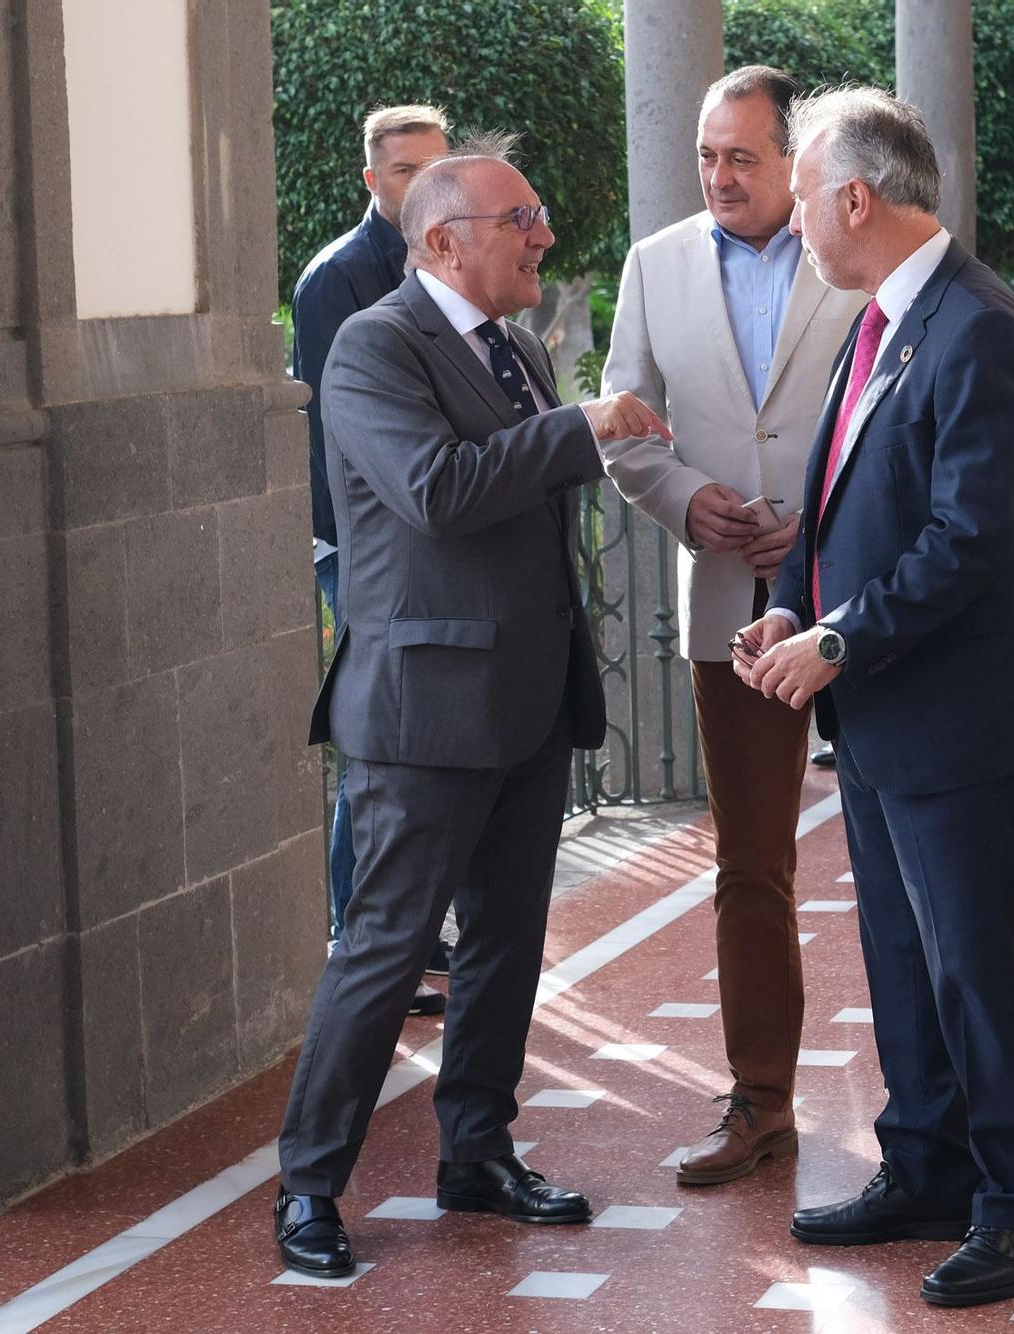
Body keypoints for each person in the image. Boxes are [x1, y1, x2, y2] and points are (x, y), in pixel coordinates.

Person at [272, 138, 671, 1279]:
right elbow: (438, 493)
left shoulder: (519, 348)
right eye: (521, 217)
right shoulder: (371, 347)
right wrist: (585, 424)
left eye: (536, 214)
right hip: (424, 708)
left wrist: (593, 430)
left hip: (531, 699)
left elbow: (530, 505)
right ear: (443, 240)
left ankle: (476, 1150)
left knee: (505, 942)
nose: (542, 232)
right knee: (389, 947)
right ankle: (309, 1182)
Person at [730, 86, 1014, 1309]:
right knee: (901, 953)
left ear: (854, 197)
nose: (790, 216)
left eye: (802, 192)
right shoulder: (882, 315)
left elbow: (967, 539)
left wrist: (836, 637)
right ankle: (926, 1163)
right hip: (885, 702)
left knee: (971, 963)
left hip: (963, 706)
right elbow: (837, 491)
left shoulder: (977, 326)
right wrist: (789, 600)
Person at [599, 65, 867, 1186]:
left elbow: (897, 406)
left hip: (865, 595)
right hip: (727, 608)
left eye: (742, 157)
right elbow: (620, 423)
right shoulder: (654, 264)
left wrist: (815, 516)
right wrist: (685, 498)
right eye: (706, 156)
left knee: (915, 857)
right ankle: (760, 1101)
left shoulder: (851, 252)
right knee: (750, 867)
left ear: (791, 156)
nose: (718, 176)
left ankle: (939, 1109)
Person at [290, 103, 453, 1014]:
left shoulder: (446, 259)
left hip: (430, 532)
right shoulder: (333, 280)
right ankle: (362, 937)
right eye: (401, 171)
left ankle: (416, 929)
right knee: (378, 744)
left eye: (434, 167)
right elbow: (343, 440)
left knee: (424, 738)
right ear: (371, 180)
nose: (419, 183)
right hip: (363, 549)